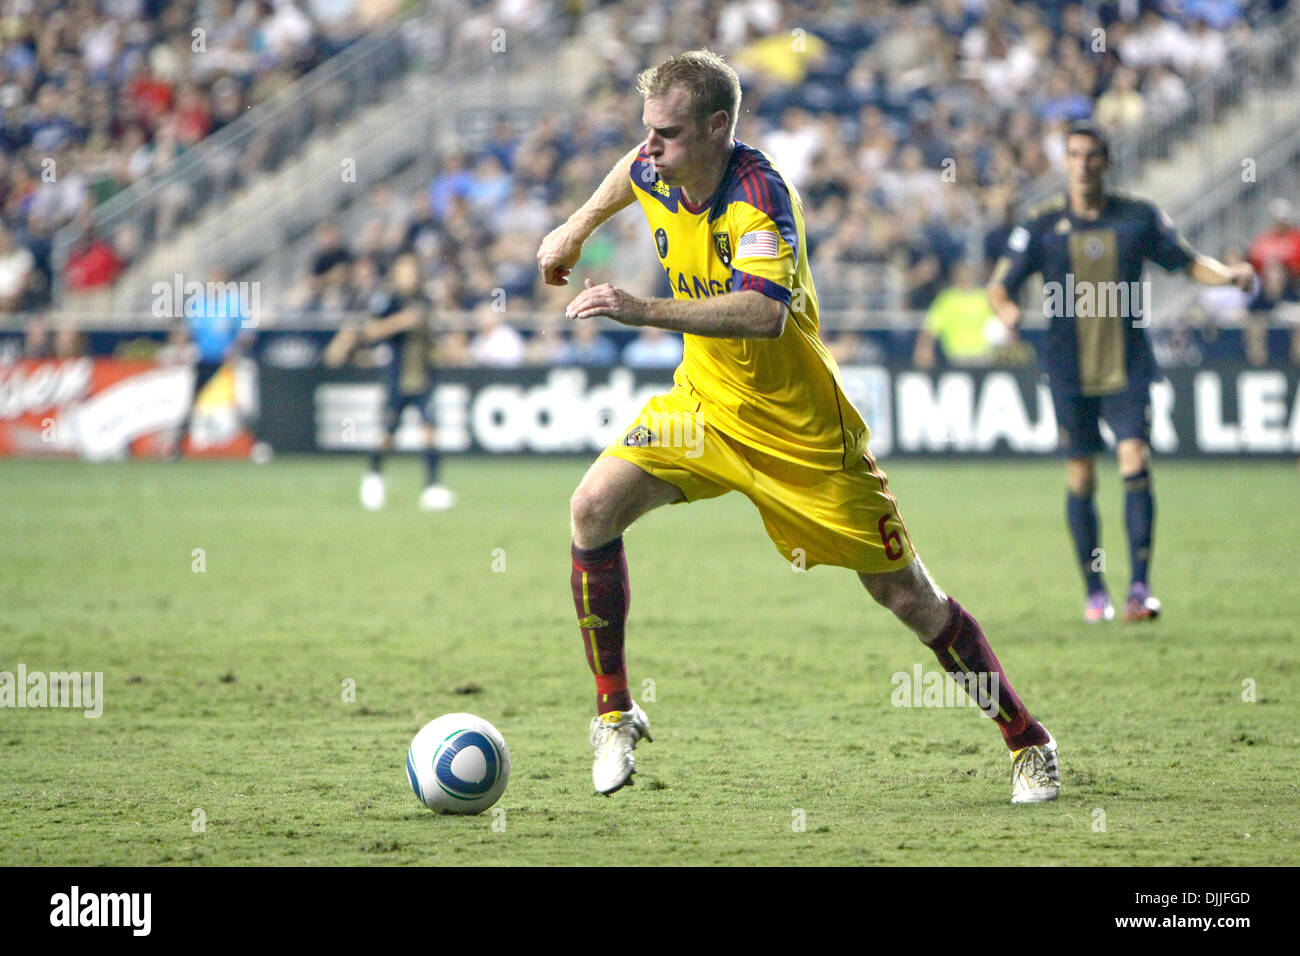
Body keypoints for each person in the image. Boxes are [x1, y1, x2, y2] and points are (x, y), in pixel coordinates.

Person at [536, 50, 1059, 805]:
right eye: (648, 131)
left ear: (719, 127)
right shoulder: (657, 164)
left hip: (803, 436)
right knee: (591, 507)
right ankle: (614, 711)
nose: (652, 148)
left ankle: (1028, 742)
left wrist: (640, 308)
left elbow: (764, 313)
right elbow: (632, 165)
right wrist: (576, 225)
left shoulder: (757, 195)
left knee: (910, 599)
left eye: (670, 134)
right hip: (705, 410)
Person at [987, 121, 1254, 623]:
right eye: (1073, 155)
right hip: (1068, 370)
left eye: (1092, 155)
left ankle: (1139, 589)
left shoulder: (1138, 218)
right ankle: (1095, 591)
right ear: (1064, 162)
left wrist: (1228, 276)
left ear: (1107, 162)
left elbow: (1187, 262)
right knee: (1081, 475)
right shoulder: (1041, 225)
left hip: (1128, 365)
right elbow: (1000, 286)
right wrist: (1006, 314)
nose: (1083, 164)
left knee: (1136, 458)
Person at [328, 252, 454, 512]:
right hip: (397, 376)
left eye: (412, 269)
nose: (409, 275)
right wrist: (400, 322)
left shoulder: (425, 300)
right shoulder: (388, 301)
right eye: (404, 270)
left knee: (430, 430)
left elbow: (433, 335)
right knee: (387, 434)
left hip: (424, 374)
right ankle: (373, 476)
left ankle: (432, 488)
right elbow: (371, 332)